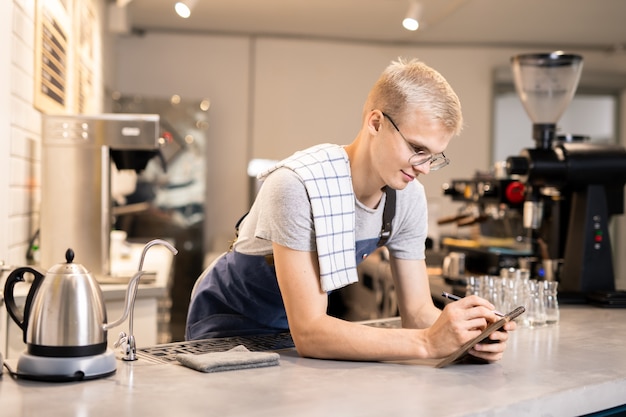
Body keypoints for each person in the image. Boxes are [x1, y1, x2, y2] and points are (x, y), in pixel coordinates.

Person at [186, 57, 516, 362]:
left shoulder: (407, 199)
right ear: (375, 123)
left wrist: (469, 336)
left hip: (296, 333)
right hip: (230, 326)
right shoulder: (296, 185)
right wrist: (428, 343)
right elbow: (311, 333)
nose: (425, 168)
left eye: (433, 156)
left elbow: (417, 314)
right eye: (417, 148)